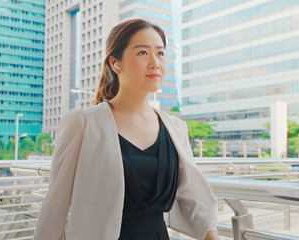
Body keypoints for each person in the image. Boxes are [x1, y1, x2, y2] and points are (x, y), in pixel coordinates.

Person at [32, 19, 219, 240]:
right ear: (115, 63)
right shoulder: (82, 122)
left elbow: (193, 196)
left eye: (160, 53)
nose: (155, 63)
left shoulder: (176, 127)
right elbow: (56, 205)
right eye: (142, 53)